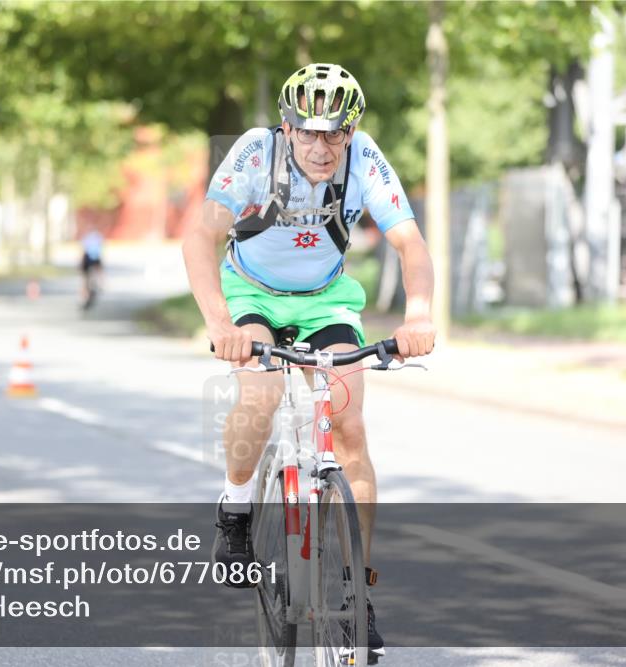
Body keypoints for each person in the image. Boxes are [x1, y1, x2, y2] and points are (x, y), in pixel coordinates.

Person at [181, 63, 436, 662]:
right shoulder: (253, 154)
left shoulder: (363, 160)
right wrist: (220, 323)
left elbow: (410, 242)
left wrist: (419, 313)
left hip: (326, 301)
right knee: (262, 396)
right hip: (251, 293)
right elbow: (200, 237)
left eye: (335, 134)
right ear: (287, 127)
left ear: (350, 132)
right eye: (309, 133)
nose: (322, 148)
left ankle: (356, 591)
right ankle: (236, 510)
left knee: (348, 425)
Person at [79, 227, 104, 309]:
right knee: (92, 276)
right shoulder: (97, 237)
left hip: (89, 258)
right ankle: (98, 286)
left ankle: (87, 294)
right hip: (93, 259)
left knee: (86, 279)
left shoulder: (87, 238)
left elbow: (84, 250)